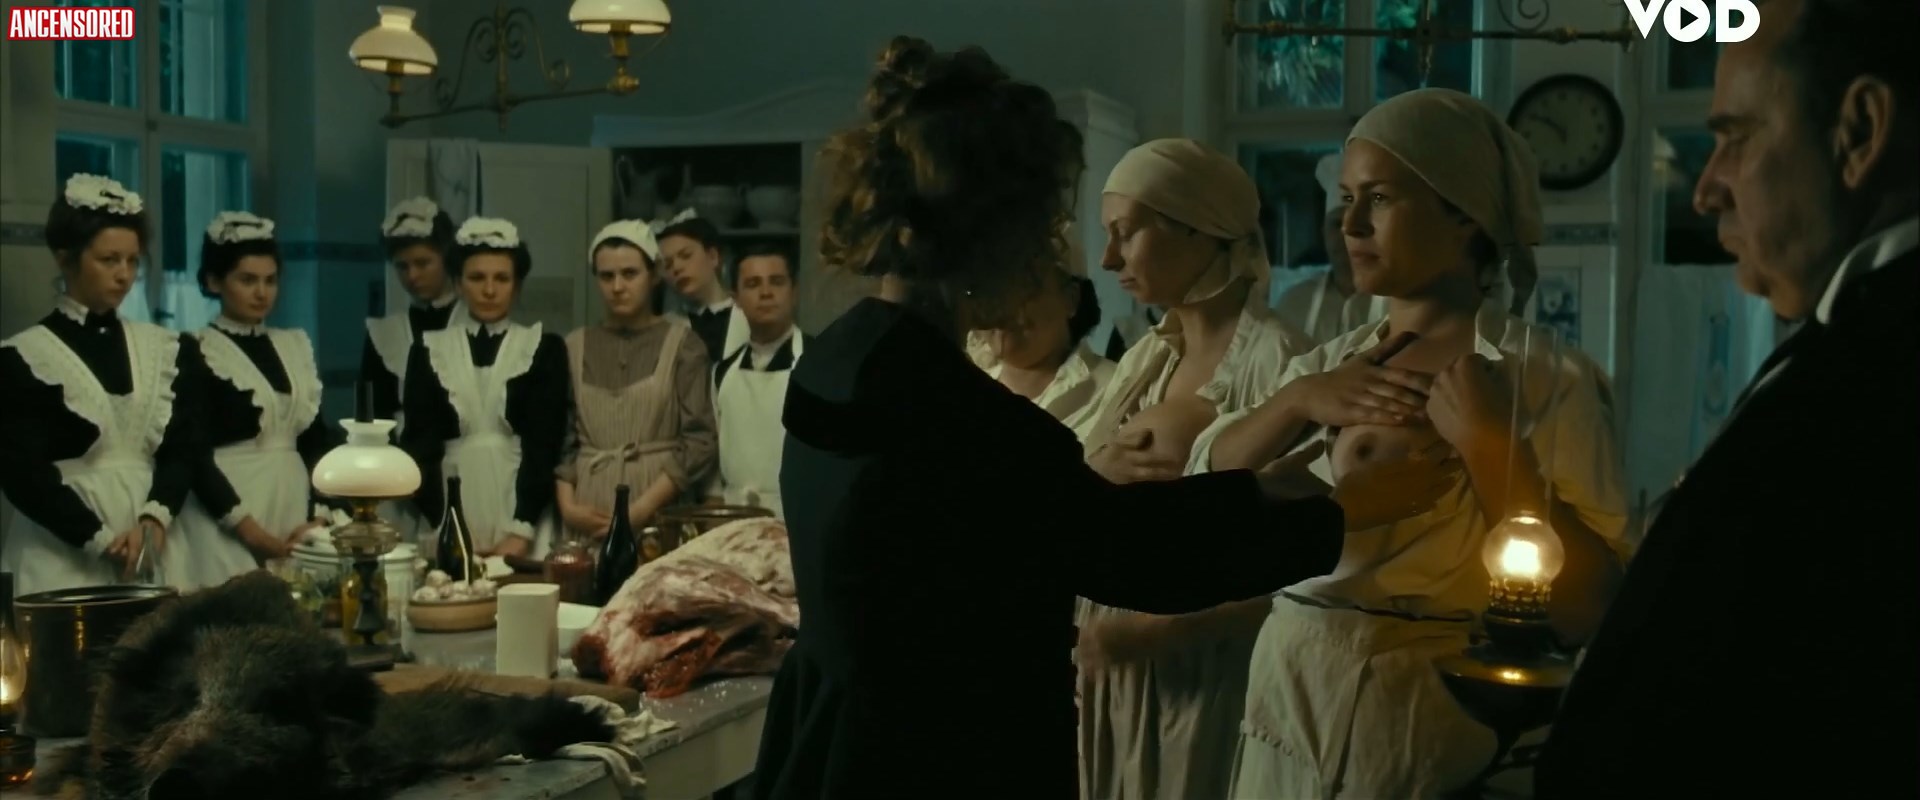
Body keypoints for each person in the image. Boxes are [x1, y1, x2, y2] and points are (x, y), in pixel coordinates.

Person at [748, 37, 1459, 800]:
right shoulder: (968, 422)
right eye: (1039, 226)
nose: (1051, 251)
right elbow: (1132, 551)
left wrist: (1266, 489)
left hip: (833, 740)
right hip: (934, 758)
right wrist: (1339, 516)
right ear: (982, 236)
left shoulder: (840, 363)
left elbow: (1078, 521)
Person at [1191, 88, 1630, 799]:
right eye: (1346, 199)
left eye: (1380, 198)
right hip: (1289, 695)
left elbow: (1592, 608)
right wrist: (1296, 401)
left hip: (1428, 714)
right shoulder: (1327, 368)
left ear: (1465, 214)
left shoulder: (1547, 379)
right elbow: (1198, 496)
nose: (1350, 223)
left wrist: (1490, 445)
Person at [1537, 1, 1919, 796]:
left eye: (1735, 137)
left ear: (1860, 130)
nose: (1705, 189)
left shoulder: (1876, 386)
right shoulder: (1844, 343)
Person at [1072, 138, 1315, 800]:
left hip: (1209, 675)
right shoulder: (1144, 361)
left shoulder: (1283, 366)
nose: (1108, 259)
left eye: (1127, 233)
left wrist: (1156, 631)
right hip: (1113, 671)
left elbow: (1308, 563)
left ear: (1198, 228)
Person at [0, 175, 196, 594]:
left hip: (151, 544)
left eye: (133, 261)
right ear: (65, 259)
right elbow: (22, 474)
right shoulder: (24, 355)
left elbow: (182, 447)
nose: (124, 275)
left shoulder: (161, 348)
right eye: (109, 260)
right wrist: (101, 540)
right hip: (60, 551)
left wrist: (155, 517)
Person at [165, 211, 339, 588]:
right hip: (226, 517)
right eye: (247, 280)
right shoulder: (195, 349)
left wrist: (320, 515)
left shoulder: (294, 345)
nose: (262, 293)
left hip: (292, 509)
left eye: (270, 280)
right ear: (214, 281)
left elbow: (315, 440)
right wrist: (249, 531)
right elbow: (192, 453)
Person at [401, 218, 570, 558]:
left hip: (521, 508)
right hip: (449, 507)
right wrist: (443, 523)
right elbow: (420, 446)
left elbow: (544, 445)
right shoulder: (428, 350)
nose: (489, 290)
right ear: (458, 283)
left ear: (517, 286)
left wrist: (521, 530)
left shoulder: (542, 348)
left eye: (501, 279)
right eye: (477, 278)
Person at [554, 220, 717, 542]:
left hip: (659, 507)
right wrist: (568, 507)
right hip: (588, 510)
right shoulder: (573, 347)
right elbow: (563, 440)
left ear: (654, 275)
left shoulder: (683, 345)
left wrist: (640, 510)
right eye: (607, 276)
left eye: (630, 274)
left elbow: (700, 441)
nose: (617, 287)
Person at [361, 197, 462, 544]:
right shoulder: (385, 332)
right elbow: (373, 412)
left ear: (446, 258)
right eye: (402, 266)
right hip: (399, 471)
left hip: (460, 463)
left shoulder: (470, 321)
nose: (413, 275)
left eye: (423, 263)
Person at [966, 228, 1113, 439]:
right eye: (988, 291)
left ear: (1070, 299)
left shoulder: (1116, 388)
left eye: (1023, 286)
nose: (1000, 305)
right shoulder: (964, 392)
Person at [709, 241, 805, 517]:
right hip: (734, 519)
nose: (766, 293)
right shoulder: (722, 373)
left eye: (777, 282)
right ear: (736, 298)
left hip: (799, 517)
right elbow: (712, 463)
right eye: (753, 284)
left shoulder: (819, 363)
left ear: (794, 292)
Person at [1274, 153, 1388, 343]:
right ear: (1323, 232)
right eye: (1336, 224)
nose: (1346, 233)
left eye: (1357, 225)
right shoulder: (1293, 303)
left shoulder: (1398, 302)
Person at [657, 211, 749, 362]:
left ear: (713, 256)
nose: (677, 267)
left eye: (686, 255)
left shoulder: (750, 315)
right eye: (667, 264)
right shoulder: (663, 328)